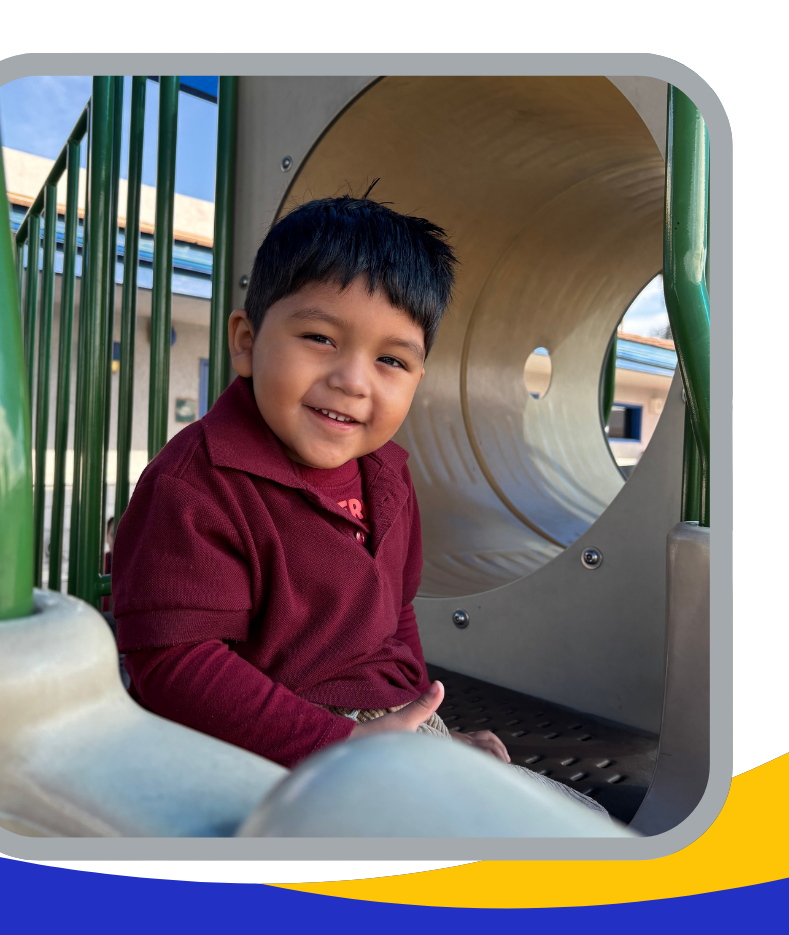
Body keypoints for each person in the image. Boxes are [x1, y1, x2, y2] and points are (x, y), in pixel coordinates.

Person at [110, 196, 604, 814]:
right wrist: (339, 746)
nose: (353, 379)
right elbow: (176, 665)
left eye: (391, 359)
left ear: (417, 379)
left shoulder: (387, 477)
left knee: (585, 818)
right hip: (275, 757)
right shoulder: (197, 484)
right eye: (320, 337)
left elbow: (393, 617)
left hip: (384, 736)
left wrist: (432, 730)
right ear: (245, 341)